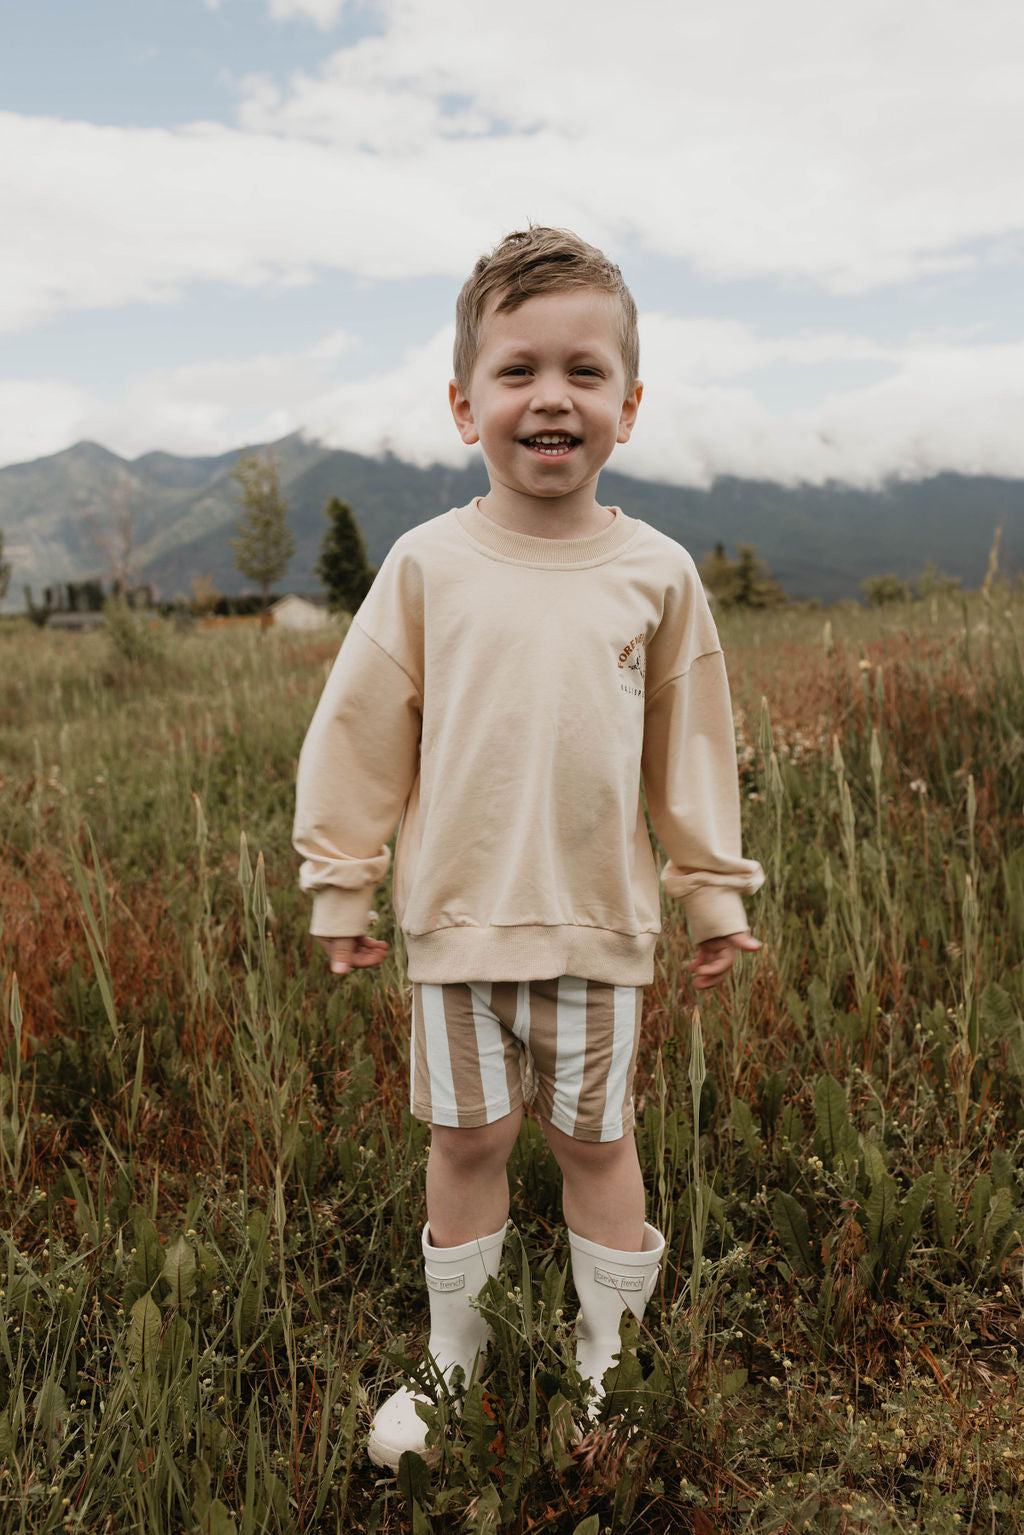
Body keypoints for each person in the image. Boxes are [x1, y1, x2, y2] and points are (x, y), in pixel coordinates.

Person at [292, 226, 764, 1470]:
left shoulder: (656, 574)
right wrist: (342, 877)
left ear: (627, 406)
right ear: (464, 404)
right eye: (516, 370)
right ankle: (455, 1363)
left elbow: (691, 750)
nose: (550, 394)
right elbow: (359, 732)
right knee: (465, 1144)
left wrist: (711, 890)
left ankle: (607, 1364)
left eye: (583, 370)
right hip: (454, 929)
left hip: (600, 933)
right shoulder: (426, 566)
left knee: (597, 1145)